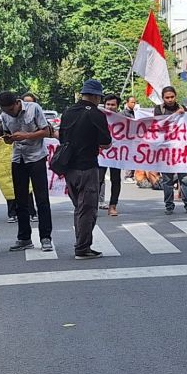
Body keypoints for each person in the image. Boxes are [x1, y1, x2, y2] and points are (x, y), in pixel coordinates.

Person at [59, 79, 112, 259]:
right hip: (87, 167)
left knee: (79, 208)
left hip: (69, 168)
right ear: (96, 96)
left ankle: (82, 243)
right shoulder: (97, 114)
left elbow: (61, 137)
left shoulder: (67, 112)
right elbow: (105, 142)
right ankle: (82, 248)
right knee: (87, 209)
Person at [0, 91, 54, 252]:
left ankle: (45, 237)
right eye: (6, 111)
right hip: (18, 158)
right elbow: (8, 136)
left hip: (36, 157)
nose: (9, 113)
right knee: (20, 199)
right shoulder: (5, 115)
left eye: (11, 110)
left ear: (17, 103)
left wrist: (26, 135)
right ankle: (24, 237)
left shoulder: (34, 108)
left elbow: (46, 131)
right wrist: (9, 139)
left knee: (42, 199)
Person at [153, 86, 187, 215]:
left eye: (172, 97)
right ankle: (169, 206)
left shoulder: (182, 108)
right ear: (163, 98)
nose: (170, 100)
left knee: (185, 180)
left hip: (181, 150)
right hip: (166, 151)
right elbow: (159, 125)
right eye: (167, 97)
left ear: (175, 96)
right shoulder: (158, 109)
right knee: (167, 181)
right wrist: (175, 115)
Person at [98, 94, 123, 216]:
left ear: (117, 106)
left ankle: (113, 205)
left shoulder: (123, 118)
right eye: (108, 104)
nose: (110, 107)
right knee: (98, 179)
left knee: (116, 180)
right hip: (101, 154)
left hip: (117, 155)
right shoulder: (98, 116)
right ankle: (93, 204)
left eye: (113, 105)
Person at [121, 96, 137, 183]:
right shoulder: (123, 113)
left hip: (135, 138)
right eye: (132, 102)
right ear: (127, 102)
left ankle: (132, 174)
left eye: (135, 102)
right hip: (127, 138)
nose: (134, 104)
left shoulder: (136, 113)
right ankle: (128, 175)